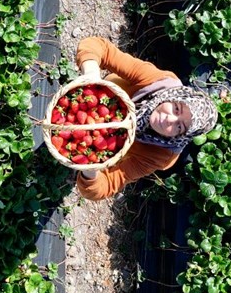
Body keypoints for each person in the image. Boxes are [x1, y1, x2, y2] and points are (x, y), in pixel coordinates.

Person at [70, 37, 220, 200]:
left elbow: (106, 186)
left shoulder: (161, 155)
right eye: (176, 108)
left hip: (99, 146)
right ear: (173, 97)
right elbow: (100, 47)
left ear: (180, 137)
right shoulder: (158, 82)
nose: (170, 119)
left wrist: (91, 168)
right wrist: (91, 74)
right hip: (93, 100)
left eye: (179, 127)